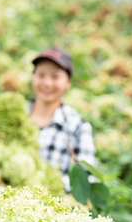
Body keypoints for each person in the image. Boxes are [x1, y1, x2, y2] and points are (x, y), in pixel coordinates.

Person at [26, 47, 96, 191]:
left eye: (55, 76)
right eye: (41, 75)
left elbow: (86, 179)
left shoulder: (77, 127)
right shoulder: (17, 114)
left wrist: (39, 188)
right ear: (33, 77)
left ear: (68, 82)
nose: (47, 83)